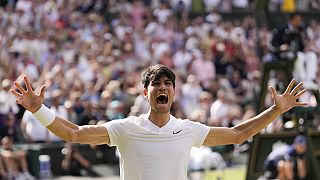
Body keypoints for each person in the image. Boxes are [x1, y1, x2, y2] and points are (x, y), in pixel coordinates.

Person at [11, 64, 307, 180]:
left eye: (168, 83)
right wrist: (39, 109)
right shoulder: (126, 128)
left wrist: (276, 111)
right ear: (146, 92)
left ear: (174, 91)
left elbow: (238, 133)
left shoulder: (188, 129)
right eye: (156, 84)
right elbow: (74, 133)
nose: (162, 87)